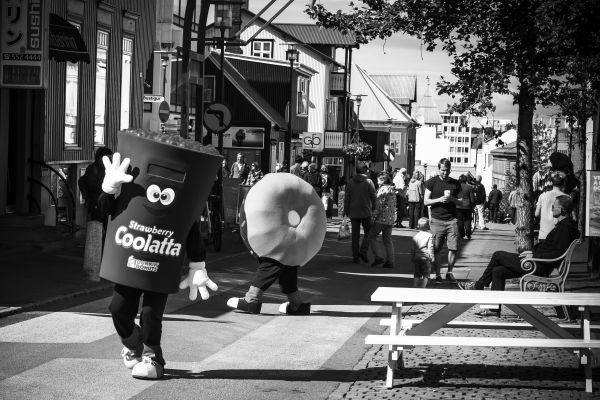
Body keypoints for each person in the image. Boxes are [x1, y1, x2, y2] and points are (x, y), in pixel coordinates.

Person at [227, 173, 327, 316]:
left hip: (279, 239)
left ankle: (252, 299)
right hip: (298, 243)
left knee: (271, 264)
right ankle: (297, 304)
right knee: (288, 268)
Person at [459, 195, 580, 295]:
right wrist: (532, 252)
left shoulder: (565, 228)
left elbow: (556, 253)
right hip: (536, 261)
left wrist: (533, 255)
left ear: (562, 209)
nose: (551, 208)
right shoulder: (563, 225)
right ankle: (493, 308)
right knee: (498, 271)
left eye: (554, 206)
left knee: (497, 255)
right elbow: (551, 248)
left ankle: (478, 286)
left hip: (538, 265)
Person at [423, 158, 461, 284]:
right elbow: (426, 201)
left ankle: (449, 273)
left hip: (452, 220)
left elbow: (462, 201)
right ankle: (437, 274)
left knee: (453, 248)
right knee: (436, 249)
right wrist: (439, 199)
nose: (445, 173)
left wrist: (452, 199)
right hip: (437, 220)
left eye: (447, 170)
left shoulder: (455, 183)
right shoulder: (431, 182)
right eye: (443, 170)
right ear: (439, 169)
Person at [359, 173, 396, 268]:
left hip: (382, 218)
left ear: (383, 181)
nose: (377, 182)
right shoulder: (392, 190)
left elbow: (378, 206)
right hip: (390, 218)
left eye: (378, 180)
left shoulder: (383, 190)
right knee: (387, 239)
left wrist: (372, 216)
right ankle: (390, 261)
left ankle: (379, 257)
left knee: (371, 236)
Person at [344, 162, 376, 263]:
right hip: (366, 211)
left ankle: (355, 257)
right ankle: (363, 250)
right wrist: (374, 207)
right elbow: (373, 196)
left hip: (353, 211)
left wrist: (346, 210)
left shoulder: (350, 182)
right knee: (369, 232)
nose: (368, 171)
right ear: (363, 170)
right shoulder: (369, 182)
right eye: (366, 169)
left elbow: (347, 198)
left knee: (355, 235)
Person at [78, 146, 113, 227]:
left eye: (111, 158)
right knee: (97, 226)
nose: (110, 160)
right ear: (100, 158)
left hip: (107, 204)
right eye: (108, 158)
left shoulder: (109, 168)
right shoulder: (92, 169)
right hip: (96, 203)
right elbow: (92, 186)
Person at [535, 172, 566, 243]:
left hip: (544, 233)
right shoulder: (567, 197)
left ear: (552, 182)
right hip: (560, 234)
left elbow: (536, 214)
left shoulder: (543, 196)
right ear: (563, 183)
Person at [411, 217, 434, 288]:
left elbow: (413, 249)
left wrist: (412, 257)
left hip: (417, 257)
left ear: (418, 226)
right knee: (426, 274)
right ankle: (423, 287)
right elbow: (430, 247)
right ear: (428, 226)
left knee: (416, 274)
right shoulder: (429, 235)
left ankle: (415, 286)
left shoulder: (415, 236)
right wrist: (432, 256)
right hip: (426, 257)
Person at [456, 174, 475, 239]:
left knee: (460, 220)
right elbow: (472, 199)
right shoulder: (470, 187)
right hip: (467, 205)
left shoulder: (457, 187)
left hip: (458, 205)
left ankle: (461, 234)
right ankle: (468, 233)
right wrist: (472, 206)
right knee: (468, 220)